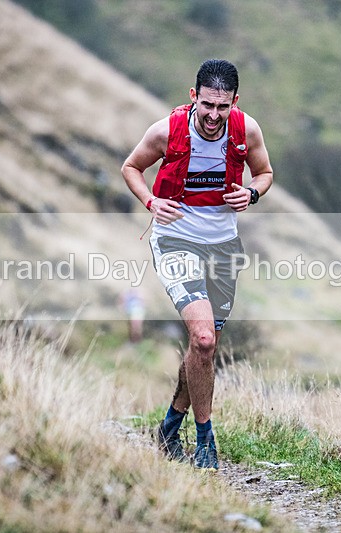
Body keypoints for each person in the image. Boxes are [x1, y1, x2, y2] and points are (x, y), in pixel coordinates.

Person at [121, 59, 273, 470]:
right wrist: (151, 201)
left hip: (223, 247)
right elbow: (131, 167)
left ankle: (169, 426)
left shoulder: (247, 130)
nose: (213, 115)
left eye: (223, 106)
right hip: (175, 240)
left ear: (235, 102)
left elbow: (264, 173)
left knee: (203, 348)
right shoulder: (166, 131)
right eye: (207, 104)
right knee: (203, 340)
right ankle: (205, 440)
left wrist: (252, 194)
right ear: (193, 97)